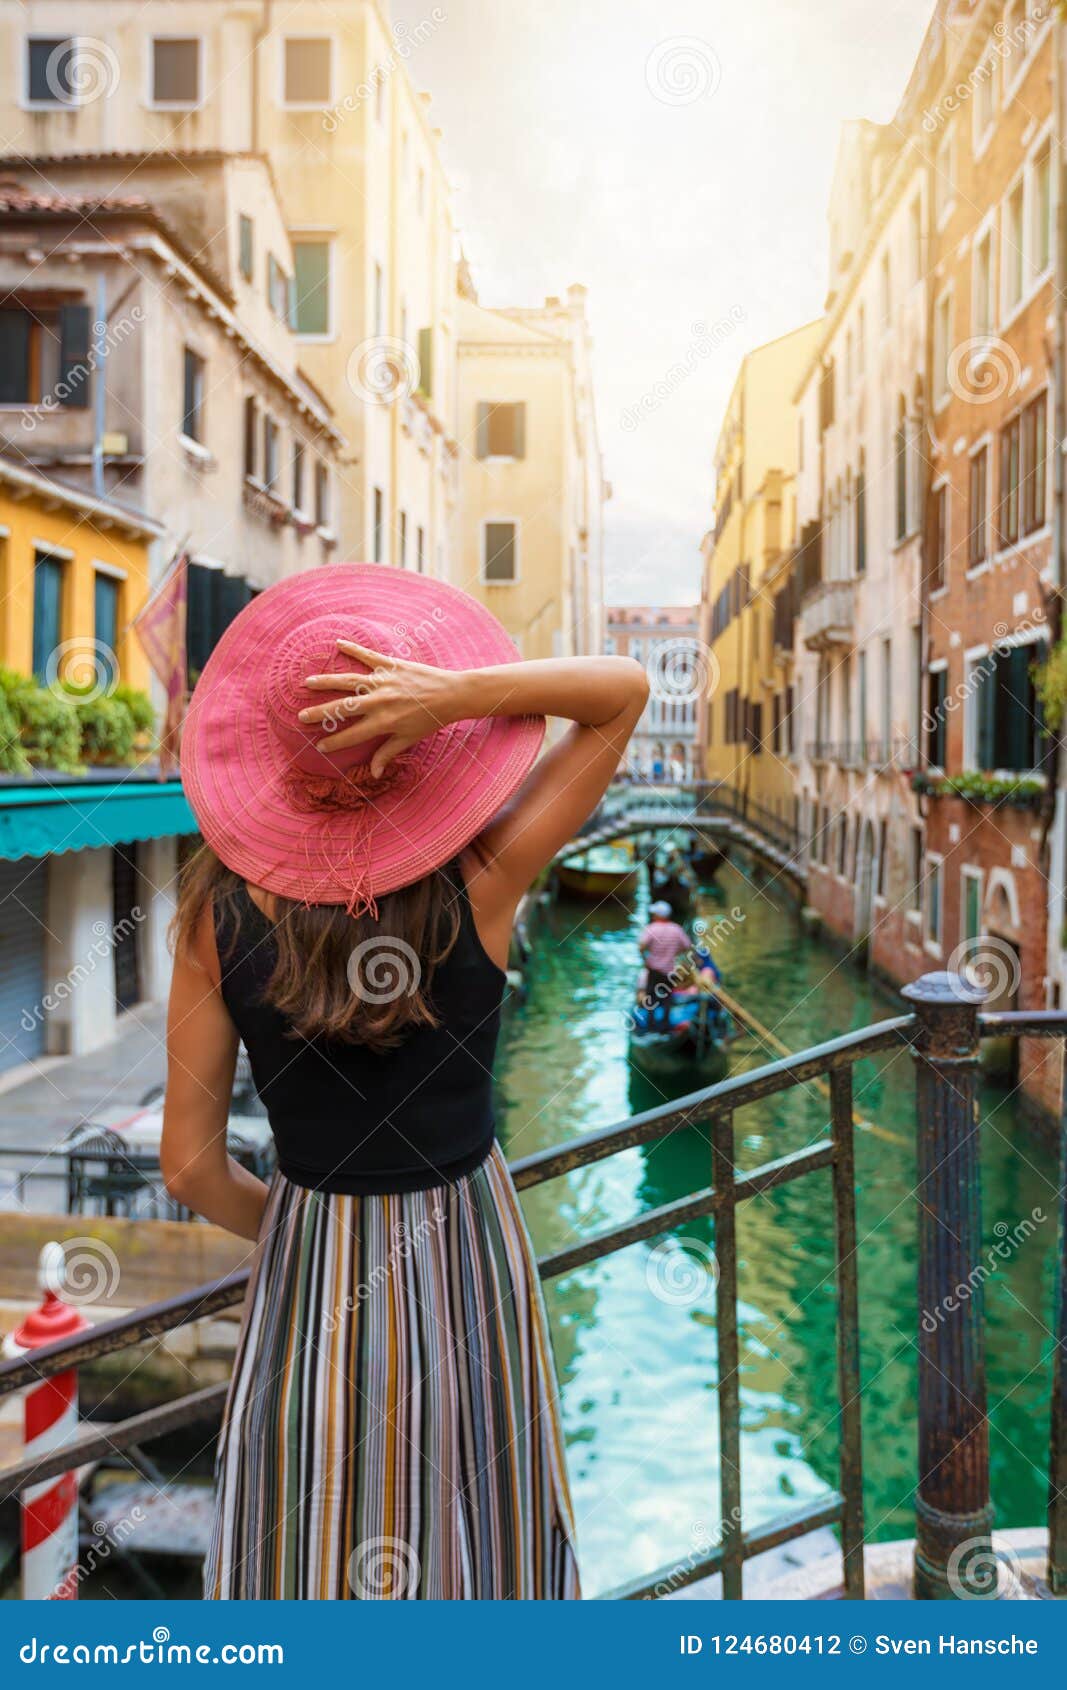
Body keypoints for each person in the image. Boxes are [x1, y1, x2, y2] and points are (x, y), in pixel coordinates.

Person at [162, 563, 648, 1600]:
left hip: (310, 1271)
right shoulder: (485, 882)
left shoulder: (210, 921)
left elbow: (191, 1169)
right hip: (466, 1246)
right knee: (483, 1532)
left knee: (307, 1545)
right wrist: (461, 694)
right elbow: (618, 694)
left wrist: (310, 1234)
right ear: (420, 755)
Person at [637, 899, 691, 1026]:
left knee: (651, 998)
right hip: (669, 971)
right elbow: (687, 946)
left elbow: (641, 947)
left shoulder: (651, 928)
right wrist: (675, 952)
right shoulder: (676, 929)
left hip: (654, 970)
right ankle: (664, 1026)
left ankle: (651, 1025)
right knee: (667, 998)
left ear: (658, 915)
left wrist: (645, 960)